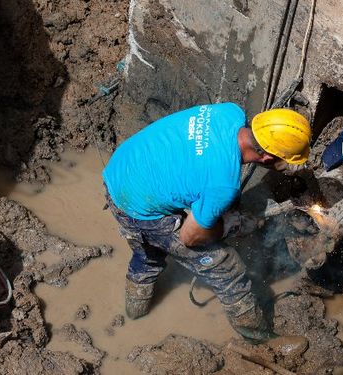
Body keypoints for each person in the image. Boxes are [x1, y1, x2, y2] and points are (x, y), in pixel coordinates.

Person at [102, 102, 311, 342]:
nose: (283, 167)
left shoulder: (229, 112)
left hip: (120, 173)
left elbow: (197, 160)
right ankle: (261, 338)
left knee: (148, 256)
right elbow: (189, 237)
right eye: (283, 161)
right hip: (141, 207)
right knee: (227, 267)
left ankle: (133, 317)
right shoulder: (222, 184)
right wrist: (229, 226)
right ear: (267, 156)